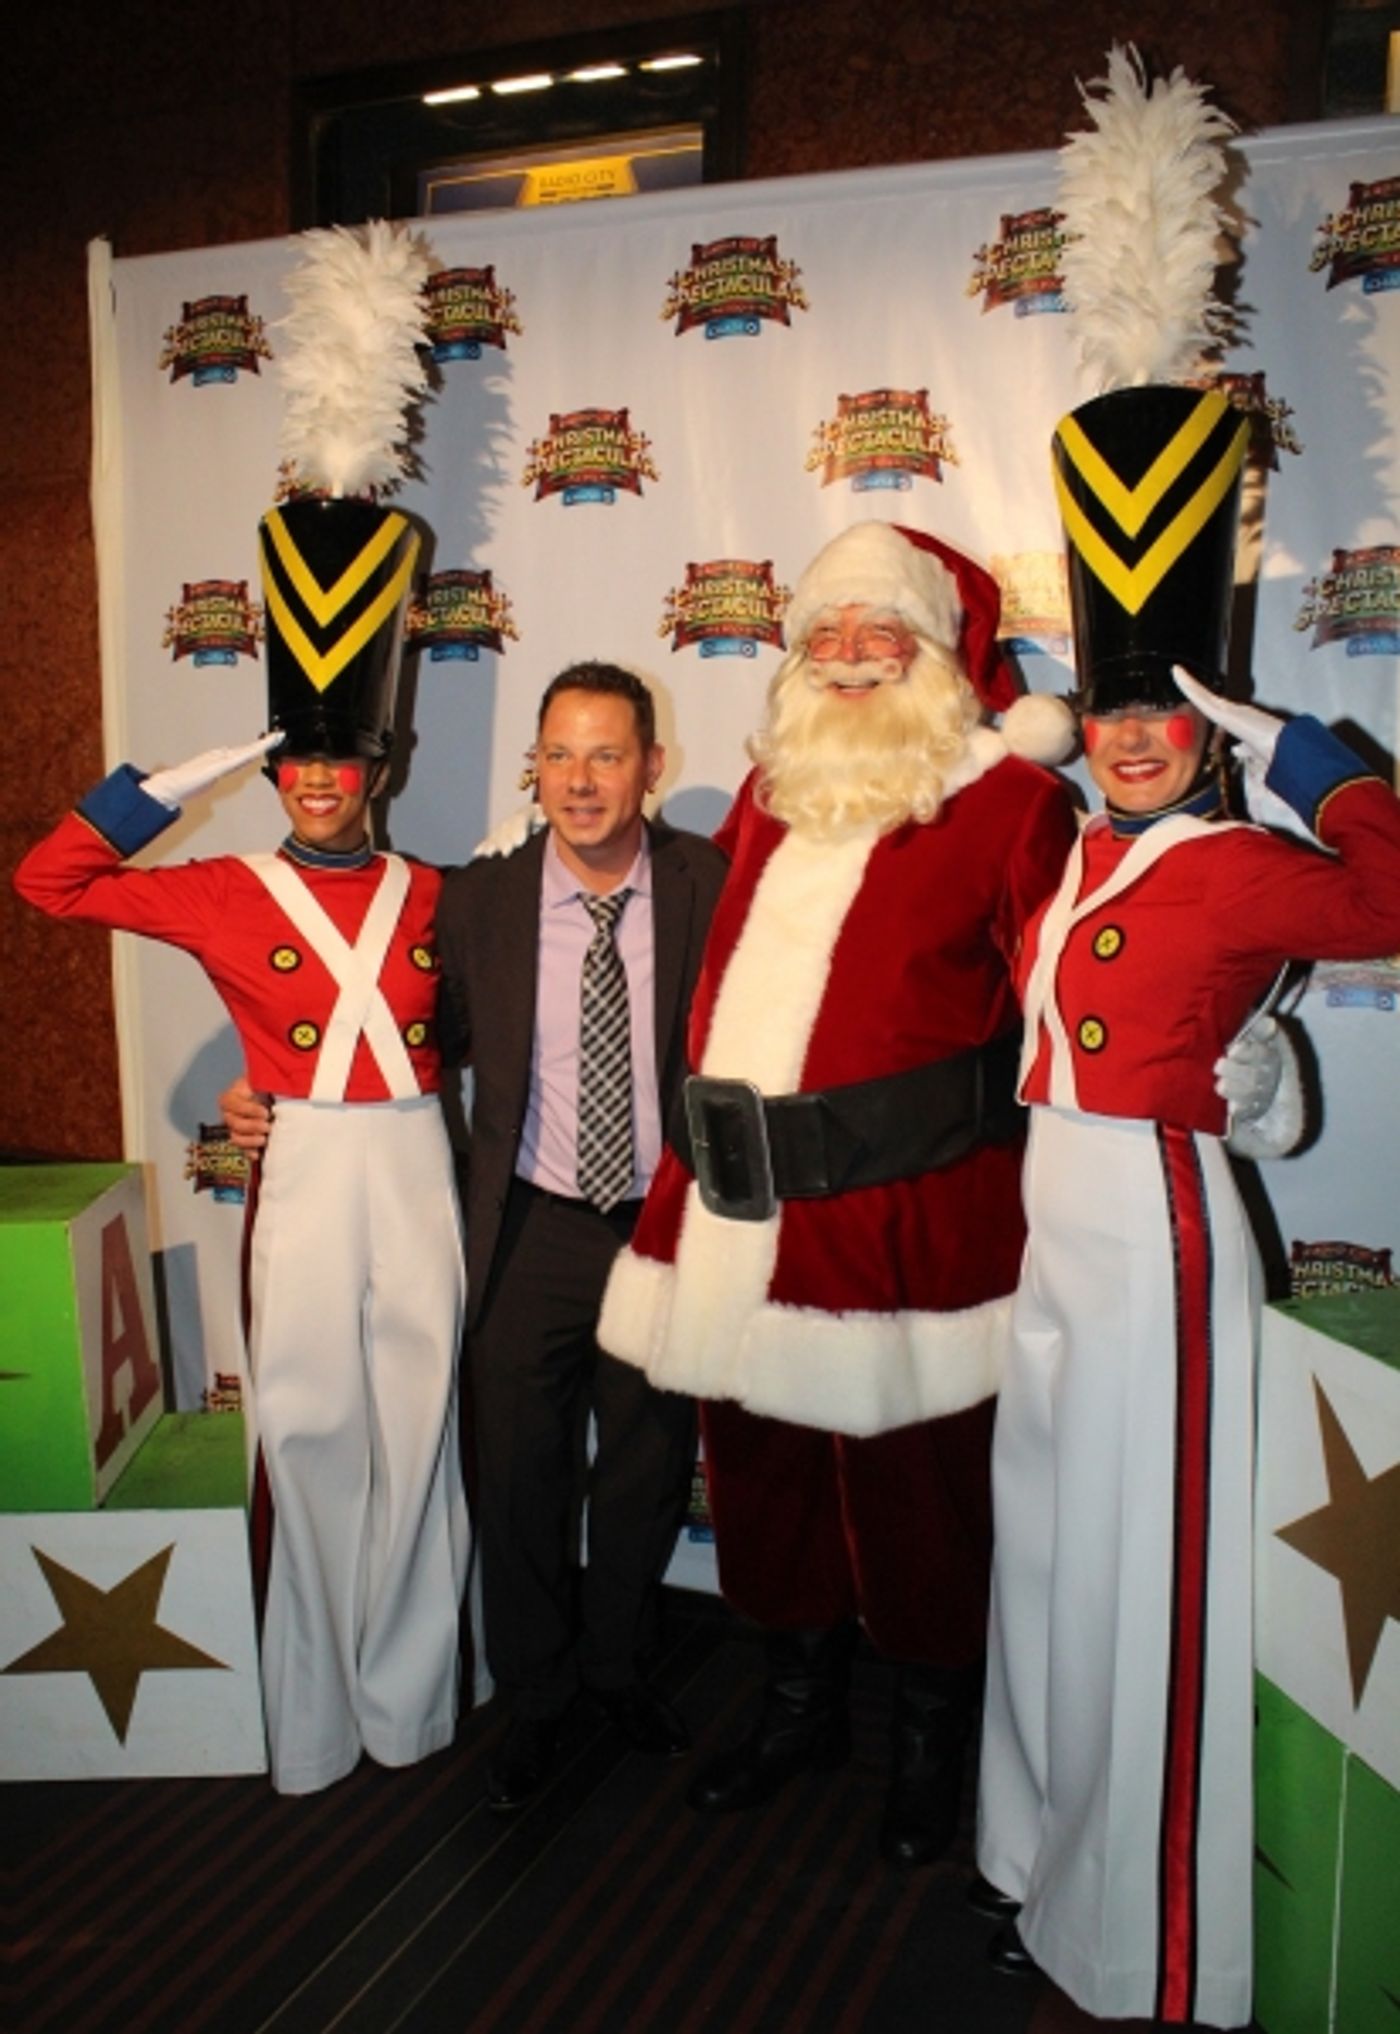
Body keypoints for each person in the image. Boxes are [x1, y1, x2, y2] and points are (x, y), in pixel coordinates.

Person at [598, 520, 1083, 1864]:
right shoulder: (768, 788)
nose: (853, 656)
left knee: (917, 1493)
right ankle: (796, 1698)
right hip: (735, 1204)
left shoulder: (1013, 802)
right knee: (758, 1479)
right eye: (830, 631)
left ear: (938, 655)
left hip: (905, 1213)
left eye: (885, 632)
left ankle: (933, 1730)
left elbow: (1060, 1011)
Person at [973, 667, 1400, 2028]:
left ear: (1208, 732)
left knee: (1143, 1583)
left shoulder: (1237, 862)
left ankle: (1135, 1931)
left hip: (1155, 1228)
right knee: (1048, 1555)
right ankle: (1035, 1851)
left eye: (1170, 715)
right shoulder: (1078, 849)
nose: (1140, 741)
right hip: (1055, 1230)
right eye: (1112, 715)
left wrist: (1315, 761)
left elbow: (1389, 899)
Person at [14, 735, 470, 1796]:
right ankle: (311, 1716)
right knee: (307, 1429)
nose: (316, 783)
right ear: (271, 778)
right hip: (303, 1161)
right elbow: (50, 881)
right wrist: (171, 788)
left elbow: (477, 1024)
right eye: (295, 764)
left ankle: (414, 1702)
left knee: (421, 1422)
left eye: (341, 762)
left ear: (382, 772)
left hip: (414, 1157)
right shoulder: (226, 889)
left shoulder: (439, 892)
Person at [428, 660, 728, 1808]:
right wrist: (278, 1099)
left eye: (607, 755)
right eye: (558, 754)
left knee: (649, 1463)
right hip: (531, 1227)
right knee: (516, 1475)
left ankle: (614, 1670)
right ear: (533, 768)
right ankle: (536, 1698)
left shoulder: (710, 883)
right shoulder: (480, 900)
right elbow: (411, 1043)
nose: (580, 780)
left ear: (654, 766)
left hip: (658, 1222)